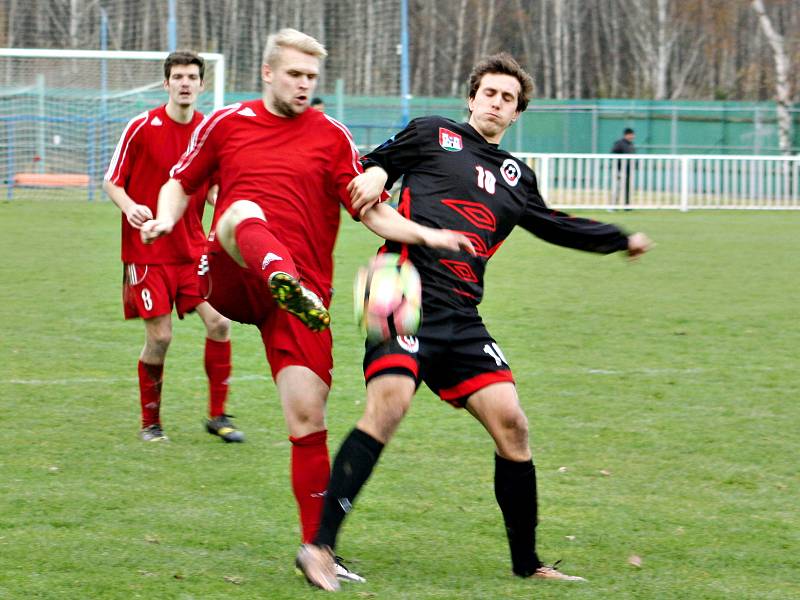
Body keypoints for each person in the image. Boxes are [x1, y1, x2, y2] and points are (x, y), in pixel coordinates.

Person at [295, 53, 652, 591]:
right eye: (490, 93)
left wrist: (618, 239)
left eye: (508, 99)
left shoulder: (517, 178)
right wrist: (372, 170)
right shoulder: (432, 132)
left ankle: (527, 563)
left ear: (516, 114)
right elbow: (376, 163)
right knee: (388, 404)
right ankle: (319, 548)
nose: (497, 103)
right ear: (472, 97)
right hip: (399, 283)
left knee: (513, 424)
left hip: (461, 311)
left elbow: (554, 224)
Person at [139, 29, 473, 583]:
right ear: (268, 72)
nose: (304, 84)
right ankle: (278, 271)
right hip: (235, 273)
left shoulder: (331, 137)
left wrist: (429, 236)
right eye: (294, 74)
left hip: (303, 300)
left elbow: (372, 212)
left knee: (307, 416)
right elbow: (180, 182)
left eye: (311, 77)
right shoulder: (225, 123)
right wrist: (166, 217)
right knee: (240, 210)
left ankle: (317, 551)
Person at [104, 50, 243, 444]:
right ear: (166, 83)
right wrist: (131, 207)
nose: (185, 83)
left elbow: (214, 188)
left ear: (201, 84)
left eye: (191, 77)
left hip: (192, 250)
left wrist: (239, 210)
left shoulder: (208, 131)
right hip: (146, 252)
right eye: (177, 76)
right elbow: (112, 181)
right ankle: (151, 423)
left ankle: (219, 416)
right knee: (161, 337)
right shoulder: (141, 127)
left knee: (219, 323)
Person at [611, 127, 636, 208]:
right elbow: (613, 154)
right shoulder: (619, 143)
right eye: (631, 135)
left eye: (633, 135)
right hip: (619, 169)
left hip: (628, 170)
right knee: (616, 188)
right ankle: (613, 206)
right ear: (626, 135)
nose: (632, 136)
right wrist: (618, 167)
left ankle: (627, 206)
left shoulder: (630, 144)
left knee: (628, 188)